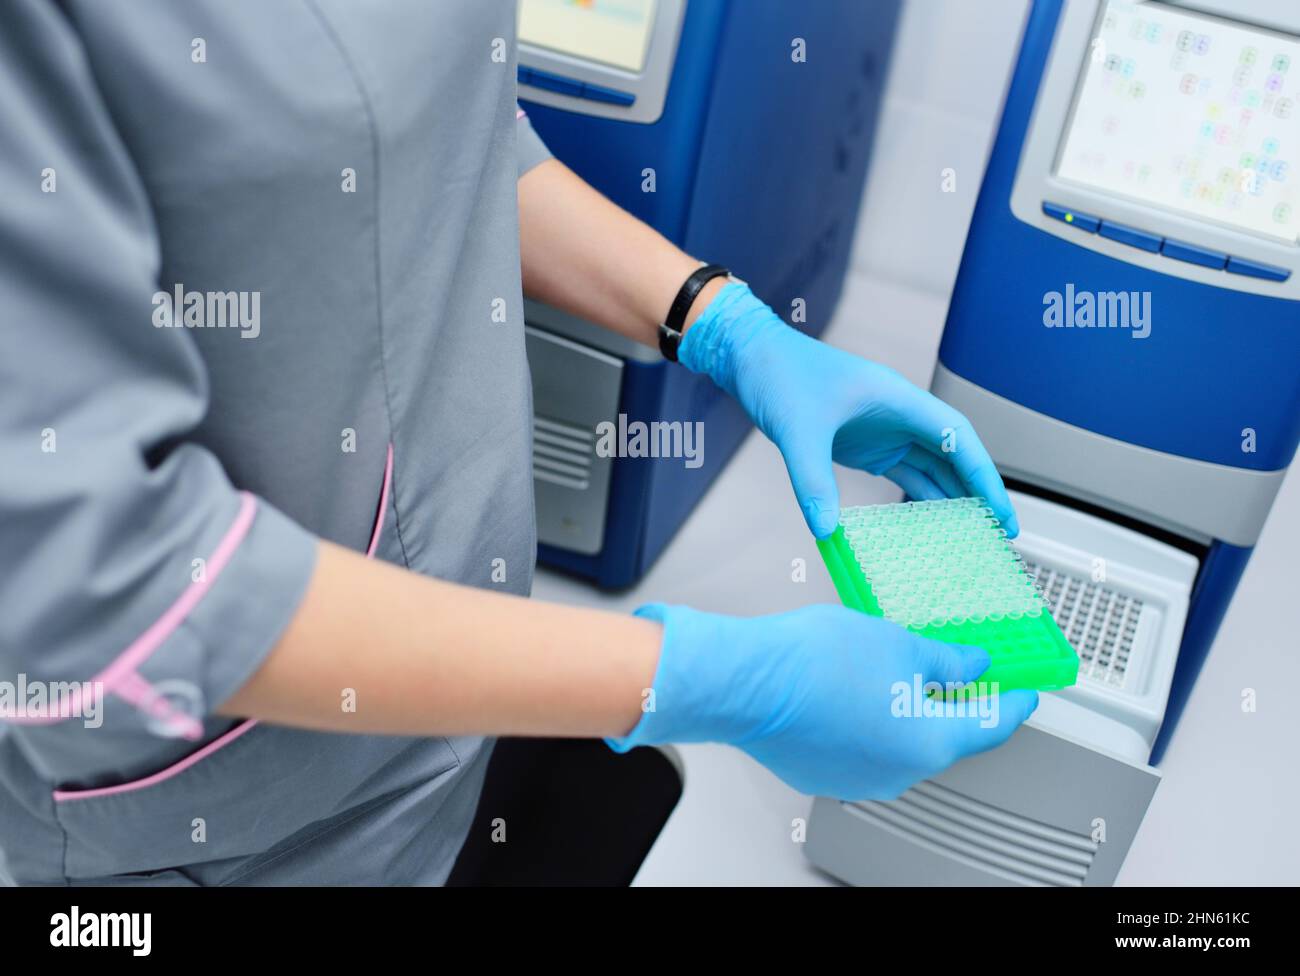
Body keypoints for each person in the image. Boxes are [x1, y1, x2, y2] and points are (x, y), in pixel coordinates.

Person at [0, 0, 1036, 885]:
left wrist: (721, 322)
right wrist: (717, 680)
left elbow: (433, 133)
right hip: (210, 816)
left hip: (447, 708)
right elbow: (105, 591)